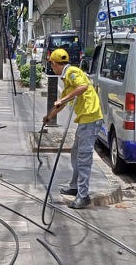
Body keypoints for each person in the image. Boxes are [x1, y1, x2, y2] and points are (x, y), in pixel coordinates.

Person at [44, 48, 103, 209]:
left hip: (90, 118)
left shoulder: (71, 72)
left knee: (83, 158)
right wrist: (49, 116)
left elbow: (82, 87)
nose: (52, 68)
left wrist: (64, 98)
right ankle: (75, 186)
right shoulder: (67, 77)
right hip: (85, 119)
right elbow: (61, 103)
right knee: (76, 153)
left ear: (55, 64)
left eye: (52, 65)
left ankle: (83, 196)